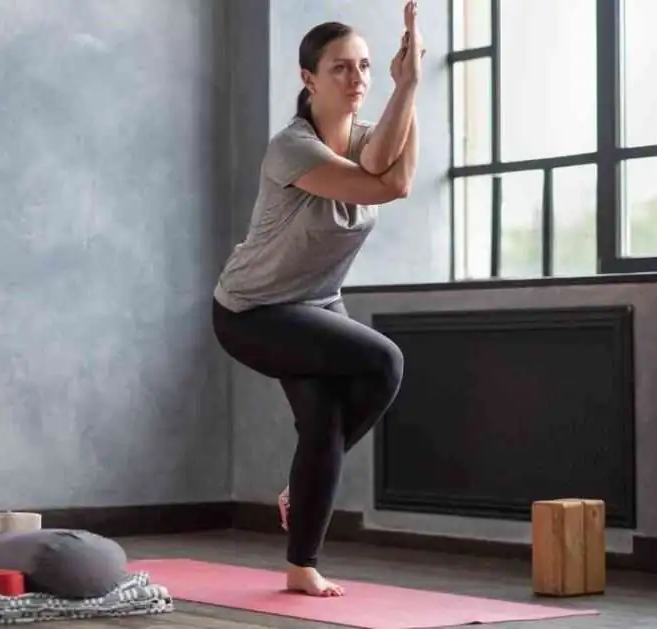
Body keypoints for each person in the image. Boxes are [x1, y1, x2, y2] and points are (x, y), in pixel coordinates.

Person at [211, 1, 424, 597]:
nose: (357, 80)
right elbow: (386, 179)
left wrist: (410, 86)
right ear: (308, 79)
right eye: (340, 69)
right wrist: (404, 88)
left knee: (323, 427)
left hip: (316, 305)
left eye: (364, 68)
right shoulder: (291, 148)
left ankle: (301, 563)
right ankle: (302, 508)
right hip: (252, 311)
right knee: (385, 361)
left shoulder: (364, 136)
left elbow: (391, 168)